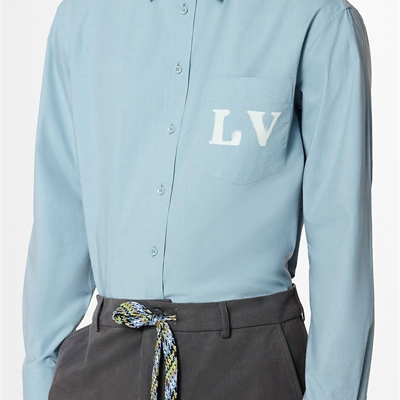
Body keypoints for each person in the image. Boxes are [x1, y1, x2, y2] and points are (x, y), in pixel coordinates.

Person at [21, 0, 374, 399]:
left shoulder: (315, 17)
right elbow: (60, 209)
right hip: (105, 359)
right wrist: (40, 374)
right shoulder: (83, 15)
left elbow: (341, 233)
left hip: (253, 364)